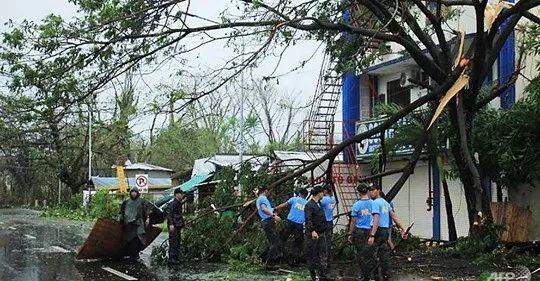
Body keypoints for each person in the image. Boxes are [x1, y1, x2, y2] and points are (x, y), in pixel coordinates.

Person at [368, 185, 408, 281]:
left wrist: (372, 235)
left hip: (377, 230)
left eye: (373, 190)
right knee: (383, 252)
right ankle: (386, 274)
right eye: (370, 191)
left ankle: (375, 276)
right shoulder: (385, 203)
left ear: (378, 191)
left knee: (373, 253)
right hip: (385, 231)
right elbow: (394, 216)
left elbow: (376, 219)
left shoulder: (375, 203)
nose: (371, 193)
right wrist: (403, 228)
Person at [347, 183, 374, 281]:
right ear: (367, 191)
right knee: (370, 253)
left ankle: (363, 274)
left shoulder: (356, 205)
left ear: (358, 192)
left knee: (360, 253)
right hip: (371, 231)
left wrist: (350, 233)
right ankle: (369, 275)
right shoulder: (373, 203)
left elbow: (353, 221)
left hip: (359, 231)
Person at [275, 187, 308, 266]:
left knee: (282, 239)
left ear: (300, 194)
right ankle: (295, 261)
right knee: (298, 243)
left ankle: (278, 257)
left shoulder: (294, 199)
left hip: (289, 223)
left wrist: (276, 208)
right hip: (299, 225)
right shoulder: (307, 203)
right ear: (306, 195)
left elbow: (284, 205)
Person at [119, 186, 153, 262]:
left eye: (135, 192)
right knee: (129, 240)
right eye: (132, 192)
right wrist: (121, 220)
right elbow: (122, 211)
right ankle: (131, 255)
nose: (133, 193)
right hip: (128, 224)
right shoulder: (126, 201)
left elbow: (147, 209)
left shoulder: (142, 201)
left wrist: (148, 218)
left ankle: (135, 255)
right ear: (130, 193)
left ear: (137, 193)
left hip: (138, 223)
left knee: (138, 240)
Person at [305, 185, 330, 281]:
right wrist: (312, 231)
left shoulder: (319, 203)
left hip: (322, 233)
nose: (323, 194)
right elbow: (308, 220)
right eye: (322, 192)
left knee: (322, 254)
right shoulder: (309, 205)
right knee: (313, 255)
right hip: (314, 234)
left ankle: (323, 275)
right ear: (319, 193)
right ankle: (313, 275)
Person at [256, 187, 282, 269]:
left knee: (273, 242)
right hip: (268, 221)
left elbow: (267, 209)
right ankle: (269, 263)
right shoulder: (262, 198)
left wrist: (275, 210)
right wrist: (274, 216)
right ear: (265, 191)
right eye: (268, 192)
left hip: (267, 221)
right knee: (275, 242)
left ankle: (263, 259)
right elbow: (264, 209)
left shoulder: (260, 199)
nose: (269, 193)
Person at [167, 188, 185, 266]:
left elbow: (179, 215)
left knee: (177, 241)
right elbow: (169, 214)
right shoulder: (173, 203)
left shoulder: (179, 202)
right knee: (173, 242)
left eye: (182, 193)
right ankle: (172, 259)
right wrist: (171, 224)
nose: (182, 195)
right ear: (176, 194)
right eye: (180, 194)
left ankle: (176, 258)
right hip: (173, 226)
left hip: (178, 225)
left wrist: (183, 223)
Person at [320, 184, 336, 259]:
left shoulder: (324, 199)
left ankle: (323, 256)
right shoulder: (333, 199)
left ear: (325, 191)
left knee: (322, 239)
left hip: (324, 221)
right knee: (328, 239)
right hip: (330, 221)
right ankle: (328, 256)